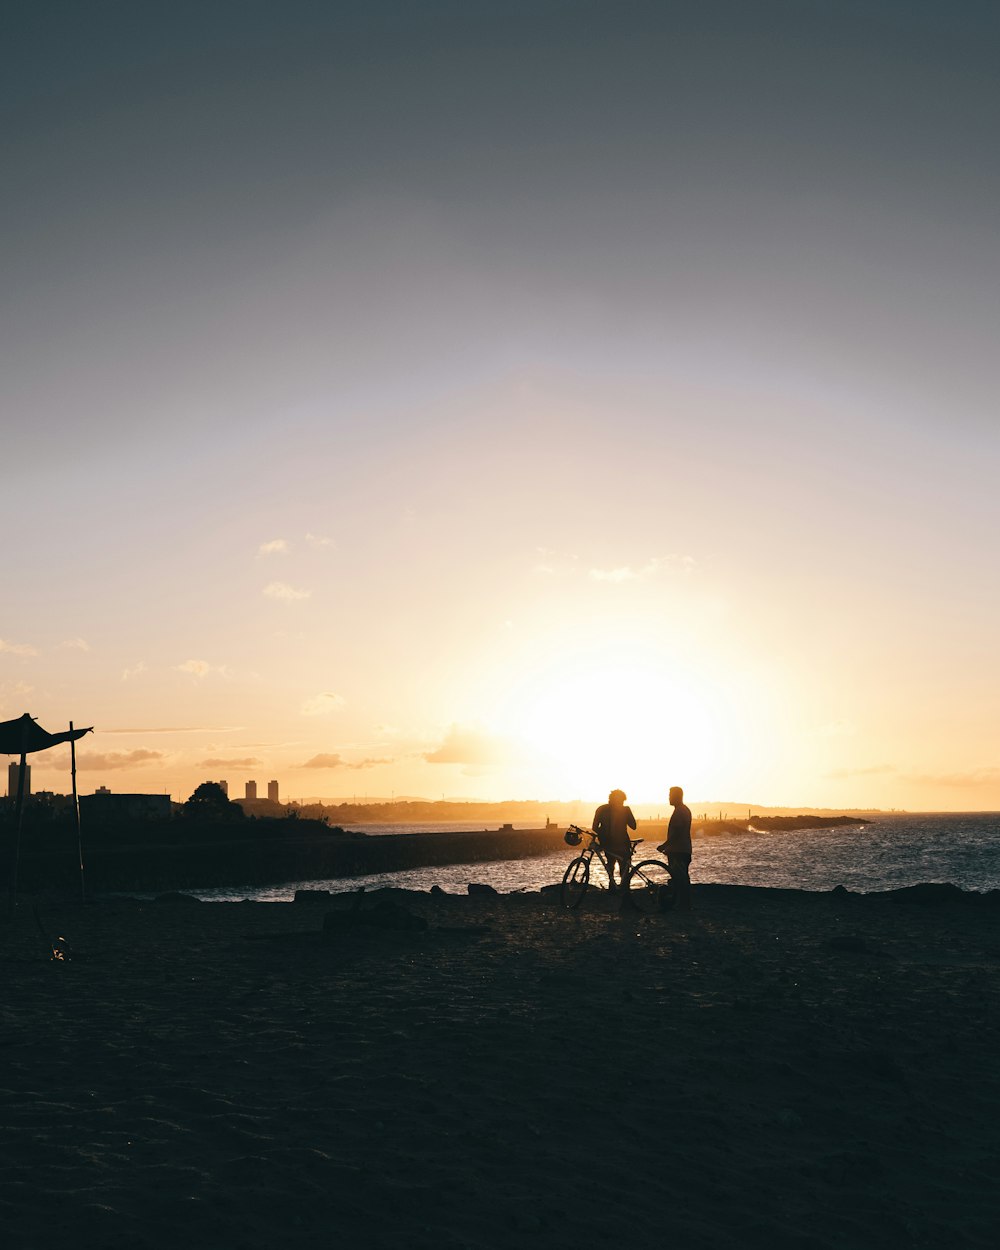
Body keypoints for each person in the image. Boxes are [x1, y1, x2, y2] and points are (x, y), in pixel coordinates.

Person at [592, 789, 636, 894]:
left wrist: (602, 834)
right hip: (623, 844)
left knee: (610, 865)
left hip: (607, 843)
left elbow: (594, 827)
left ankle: (612, 887)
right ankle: (624, 889)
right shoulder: (625, 810)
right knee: (624, 867)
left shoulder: (601, 809)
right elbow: (633, 826)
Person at [657, 785, 692, 911]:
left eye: (671, 796)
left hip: (678, 850)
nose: (669, 798)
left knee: (680, 878)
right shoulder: (684, 810)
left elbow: (677, 832)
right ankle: (684, 903)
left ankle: (683, 905)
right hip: (683, 849)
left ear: (677, 796)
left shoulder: (680, 811)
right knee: (681, 877)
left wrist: (665, 845)